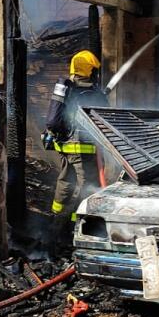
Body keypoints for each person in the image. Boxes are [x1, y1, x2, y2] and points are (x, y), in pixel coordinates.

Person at [42, 49, 107, 246]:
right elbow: (105, 117)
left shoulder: (67, 88)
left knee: (65, 182)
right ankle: (78, 227)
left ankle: (55, 223)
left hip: (64, 146)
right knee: (88, 186)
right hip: (83, 150)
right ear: (91, 71)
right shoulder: (92, 93)